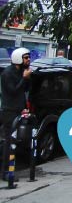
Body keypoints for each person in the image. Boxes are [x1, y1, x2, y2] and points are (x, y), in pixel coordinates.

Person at [1, 48, 32, 178]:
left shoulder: (21, 72)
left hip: (18, 110)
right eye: (26, 57)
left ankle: (10, 170)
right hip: (9, 111)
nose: (28, 60)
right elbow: (13, 91)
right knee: (10, 142)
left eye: (28, 57)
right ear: (18, 58)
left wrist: (27, 79)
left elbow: (25, 90)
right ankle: (6, 172)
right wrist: (24, 79)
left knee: (15, 141)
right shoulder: (8, 74)